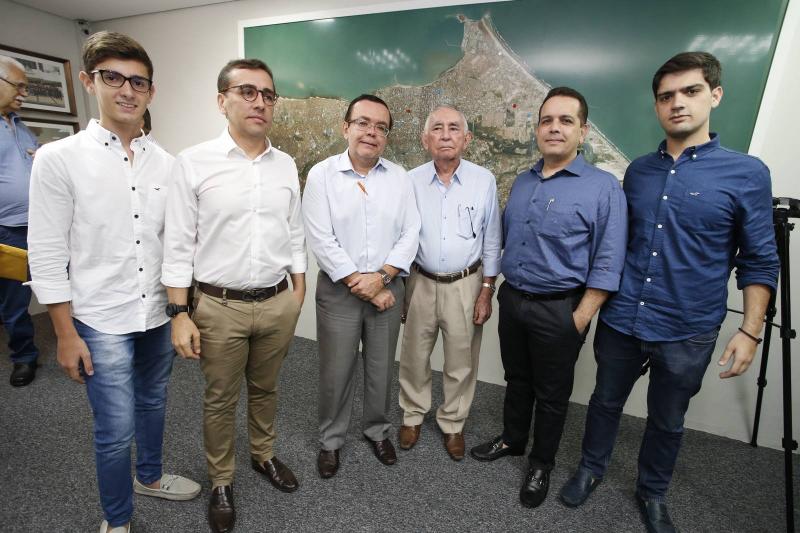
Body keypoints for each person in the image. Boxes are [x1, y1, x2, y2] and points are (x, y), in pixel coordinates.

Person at [558, 52, 779, 533]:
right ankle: (591, 469)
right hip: (623, 318)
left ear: (715, 95)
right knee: (604, 402)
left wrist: (750, 330)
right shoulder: (638, 171)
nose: (677, 103)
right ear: (657, 105)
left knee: (667, 419)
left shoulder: (746, 173)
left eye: (690, 91)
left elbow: (760, 258)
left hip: (687, 329)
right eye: (666, 96)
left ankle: (652, 492)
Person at [27, 31, 200, 533]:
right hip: (100, 319)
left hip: (155, 314)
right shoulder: (59, 159)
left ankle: (150, 476)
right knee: (115, 428)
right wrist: (63, 333)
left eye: (138, 82)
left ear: (151, 91)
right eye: (113, 78)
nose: (127, 90)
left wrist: (180, 311)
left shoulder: (166, 163)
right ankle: (118, 519)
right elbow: (48, 251)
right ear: (89, 82)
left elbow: (175, 244)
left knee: (154, 403)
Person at [162, 58, 306, 533]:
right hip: (218, 307)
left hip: (277, 302)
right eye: (247, 92)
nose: (259, 102)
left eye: (268, 94)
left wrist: (298, 287)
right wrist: (179, 312)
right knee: (220, 398)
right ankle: (221, 481)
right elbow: (178, 243)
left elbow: (294, 231)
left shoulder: (285, 164)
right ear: (222, 101)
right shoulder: (193, 162)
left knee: (266, 388)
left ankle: (263, 455)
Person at [470, 87, 627, 509]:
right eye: (546, 120)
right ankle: (513, 439)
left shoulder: (603, 188)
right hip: (514, 300)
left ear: (583, 131)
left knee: (552, 394)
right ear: (537, 129)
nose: (554, 128)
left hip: (561, 308)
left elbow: (609, 259)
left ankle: (541, 463)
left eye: (565, 120)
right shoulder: (524, 182)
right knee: (517, 379)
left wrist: (580, 317)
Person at [302, 94, 421, 479]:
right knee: (336, 370)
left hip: (388, 288)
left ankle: (377, 431)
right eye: (363, 123)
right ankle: (331, 440)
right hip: (339, 290)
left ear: (386, 136)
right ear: (346, 128)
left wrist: (382, 278)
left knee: (381, 368)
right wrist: (362, 283)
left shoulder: (400, 178)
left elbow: (411, 233)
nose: (372, 132)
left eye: (381, 127)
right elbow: (321, 238)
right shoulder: (322, 175)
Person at [397, 105, 501, 460]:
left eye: (454, 128)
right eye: (437, 128)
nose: (445, 135)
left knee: (461, 360)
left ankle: (453, 423)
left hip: (466, 284)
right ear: (425, 139)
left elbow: (492, 240)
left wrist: (486, 290)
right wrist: (402, 290)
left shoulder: (483, 181)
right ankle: (412, 415)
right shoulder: (410, 181)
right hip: (420, 281)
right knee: (414, 356)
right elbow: (401, 237)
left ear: (466, 139)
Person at [0, 55, 39, 386]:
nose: (24, 93)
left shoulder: (22, 128)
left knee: (71, 286)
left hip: (43, 226)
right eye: (19, 86)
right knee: (14, 300)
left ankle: (81, 344)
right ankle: (24, 357)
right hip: (8, 231)